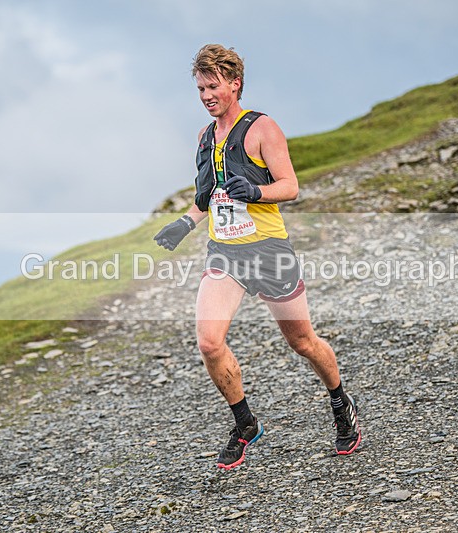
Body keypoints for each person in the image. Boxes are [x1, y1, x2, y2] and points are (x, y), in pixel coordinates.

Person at [154, 44, 361, 470]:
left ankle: (341, 401)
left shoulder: (262, 129)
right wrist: (185, 223)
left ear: (235, 84)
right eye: (200, 88)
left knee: (301, 341)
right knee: (209, 342)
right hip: (225, 253)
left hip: (269, 251)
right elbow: (206, 197)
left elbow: (290, 186)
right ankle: (245, 423)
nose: (205, 95)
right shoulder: (204, 137)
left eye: (213, 86)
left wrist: (257, 192)